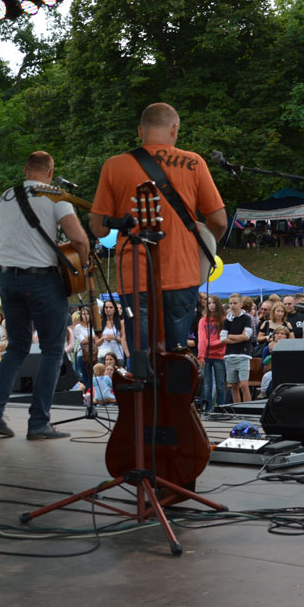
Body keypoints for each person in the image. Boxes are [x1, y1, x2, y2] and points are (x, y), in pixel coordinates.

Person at [89, 102, 227, 352]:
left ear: (140, 131)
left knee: (142, 358)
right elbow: (219, 221)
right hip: (182, 274)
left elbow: (98, 228)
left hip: (135, 277)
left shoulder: (114, 166)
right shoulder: (194, 163)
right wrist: (202, 247)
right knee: (177, 358)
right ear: (175, 129)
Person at [0, 150, 90, 440]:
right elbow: (78, 239)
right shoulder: (55, 196)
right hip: (41, 280)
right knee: (53, 349)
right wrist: (83, 266)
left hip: (7, 278)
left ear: (26, 170)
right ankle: (39, 422)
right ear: (50, 172)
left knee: (16, 347)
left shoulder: (5, 197)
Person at [221, 293, 253, 403]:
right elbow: (222, 338)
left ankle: (248, 407)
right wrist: (238, 337)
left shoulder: (247, 318)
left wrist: (230, 336)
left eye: (235, 303)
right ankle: (237, 407)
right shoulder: (227, 320)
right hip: (229, 355)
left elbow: (246, 336)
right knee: (234, 385)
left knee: (244, 385)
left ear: (241, 304)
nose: (232, 305)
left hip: (243, 355)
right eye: (230, 303)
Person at [197, 295, 226, 412]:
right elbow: (202, 339)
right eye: (209, 303)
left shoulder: (224, 320)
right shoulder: (203, 321)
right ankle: (208, 410)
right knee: (207, 385)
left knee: (220, 385)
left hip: (220, 356)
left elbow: (224, 339)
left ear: (218, 304)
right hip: (205, 356)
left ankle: (221, 409)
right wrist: (201, 356)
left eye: (214, 303)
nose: (211, 305)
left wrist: (211, 343)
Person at [95, 299, 128, 366]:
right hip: (103, 355)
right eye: (106, 307)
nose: (108, 309)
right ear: (103, 309)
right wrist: (103, 338)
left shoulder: (120, 323)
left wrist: (114, 338)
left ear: (115, 309)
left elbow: (123, 340)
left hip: (118, 355)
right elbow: (96, 343)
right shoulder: (99, 323)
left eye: (111, 307)